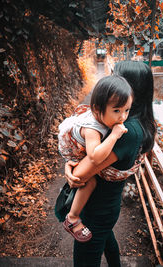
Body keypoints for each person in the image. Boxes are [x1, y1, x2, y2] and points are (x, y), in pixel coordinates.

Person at [65, 61, 156, 267]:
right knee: (107, 240)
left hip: (96, 210)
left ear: (131, 88)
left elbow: (81, 173)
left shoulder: (126, 130)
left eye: (118, 77)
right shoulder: (133, 121)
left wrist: (70, 167)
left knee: (85, 260)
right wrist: (68, 163)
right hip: (106, 205)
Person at [58, 75, 134, 242]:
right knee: (90, 181)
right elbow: (95, 157)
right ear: (97, 109)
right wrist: (114, 135)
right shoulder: (93, 129)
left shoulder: (105, 117)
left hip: (82, 145)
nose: (122, 117)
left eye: (127, 110)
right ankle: (71, 218)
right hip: (75, 149)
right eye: (117, 111)